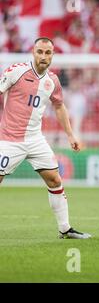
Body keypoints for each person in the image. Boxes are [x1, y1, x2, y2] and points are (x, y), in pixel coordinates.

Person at [0, 37, 91, 239]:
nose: (43, 56)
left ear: (52, 55)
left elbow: (59, 106)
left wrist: (70, 134)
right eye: (40, 52)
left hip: (35, 140)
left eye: (47, 53)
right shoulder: (16, 71)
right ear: (33, 52)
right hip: (9, 140)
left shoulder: (52, 82)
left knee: (54, 179)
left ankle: (65, 228)